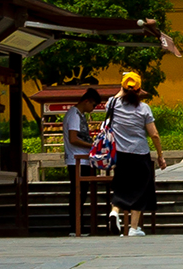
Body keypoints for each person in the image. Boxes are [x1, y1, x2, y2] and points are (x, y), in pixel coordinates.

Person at [105, 70, 164, 238]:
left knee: (121, 186)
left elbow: (118, 96)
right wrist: (160, 156)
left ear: (123, 88)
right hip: (140, 153)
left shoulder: (112, 104)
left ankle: (114, 212)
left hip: (121, 154)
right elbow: (154, 134)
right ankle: (133, 228)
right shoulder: (144, 108)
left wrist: (124, 85)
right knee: (140, 189)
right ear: (139, 90)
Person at [62, 82, 101, 226]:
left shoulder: (80, 115)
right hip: (76, 159)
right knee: (78, 194)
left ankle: (79, 224)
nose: (93, 109)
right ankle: (76, 225)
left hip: (84, 159)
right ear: (86, 101)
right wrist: (92, 145)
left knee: (82, 194)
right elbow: (73, 138)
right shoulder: (74, 115)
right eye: (93, 105)